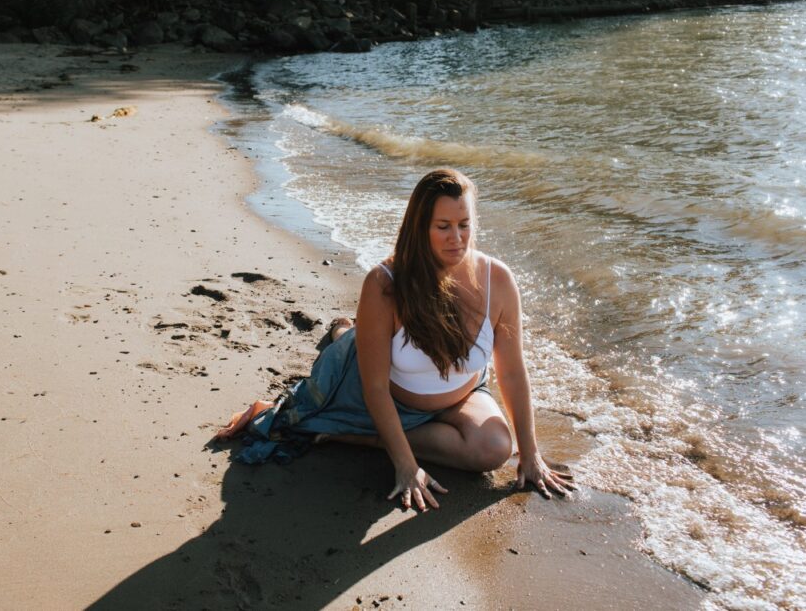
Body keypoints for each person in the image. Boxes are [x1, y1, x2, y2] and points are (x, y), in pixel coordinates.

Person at [216, 169, 574, 511]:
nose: (457, 238)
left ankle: (363, 430)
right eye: (443, 226)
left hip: (460, 396)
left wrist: (530, 454)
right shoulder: (384, 283)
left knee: (495, 449)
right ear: (420, 227)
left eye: (465, 225)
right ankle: (347, 349)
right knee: (318, 391)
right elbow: (374, 386)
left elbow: (511, 372)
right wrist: (406, 465)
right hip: (365, 387)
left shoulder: (498, 280)